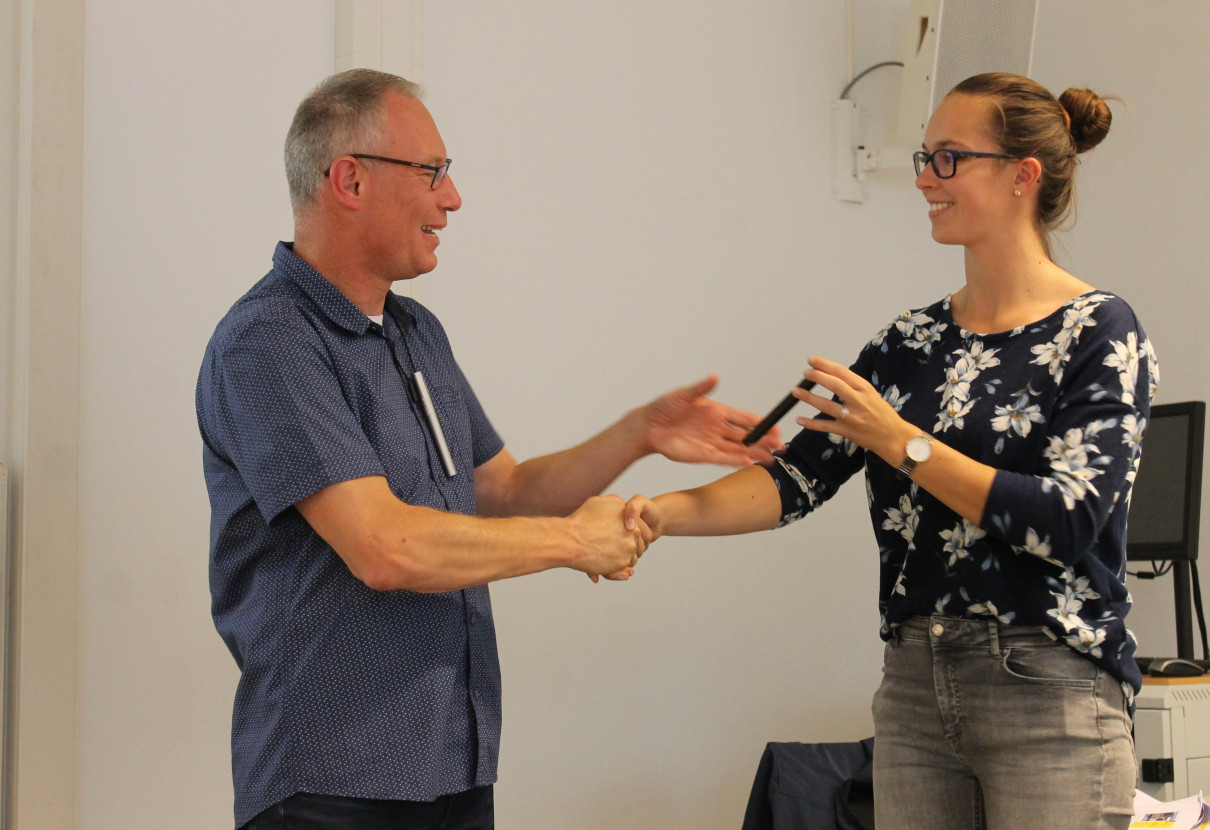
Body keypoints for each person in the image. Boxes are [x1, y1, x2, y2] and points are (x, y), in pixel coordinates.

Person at [195, 68, 781, 830]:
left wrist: (639, 434)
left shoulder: (414, 333)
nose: (452, 198)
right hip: (330, 781)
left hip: (450, 764)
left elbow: (501, 489)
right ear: (349, 180)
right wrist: (577, 542)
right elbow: (385, 547)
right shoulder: (269, 343)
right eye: (431, 172)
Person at [625, 73, 1157, 830]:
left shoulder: (1099, 330)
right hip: (913, 687)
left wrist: (900, 442)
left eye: (947, 158)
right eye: (923, 155)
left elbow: (1066, 521)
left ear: (1021, 175)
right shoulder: (908, 342)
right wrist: (646, 516)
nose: (922, 178)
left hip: (1046, 689)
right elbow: (792, 483)